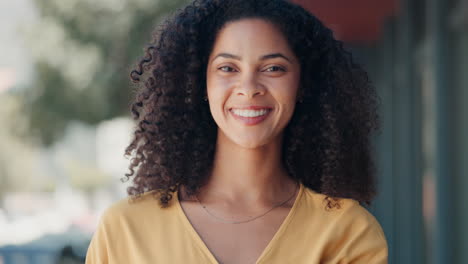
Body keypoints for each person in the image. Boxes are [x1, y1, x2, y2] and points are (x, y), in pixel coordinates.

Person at [85, 0, 388, 263]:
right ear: (200, 83)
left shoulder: (346, 233)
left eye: (273, 68)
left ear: (303, 85)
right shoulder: (125, 229)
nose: (249, 89)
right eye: (227, 68)